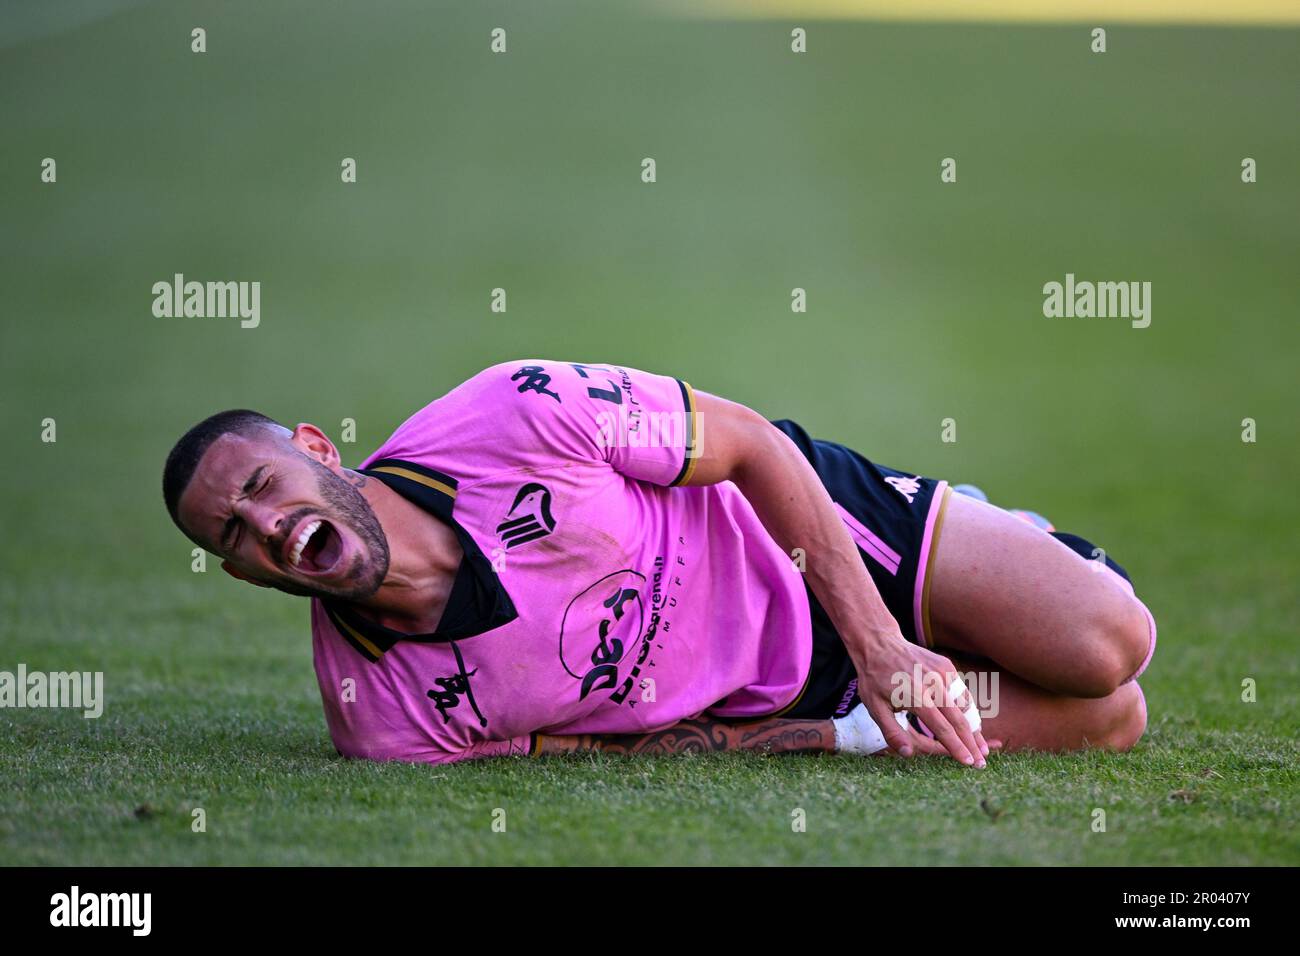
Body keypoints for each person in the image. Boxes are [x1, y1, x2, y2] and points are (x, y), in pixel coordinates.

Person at [162, 360, 1154, 765]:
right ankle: (866, 711)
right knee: (1112, 717)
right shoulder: (380, 719)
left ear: (316, 449)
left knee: (1111, 642)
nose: (262, 525)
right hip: (790, 690)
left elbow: (750, 442)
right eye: (231, 535)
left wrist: (883, 637)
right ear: (243, 574)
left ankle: (969, 553)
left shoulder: (514, 411)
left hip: (818, 538)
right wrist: (789, 738)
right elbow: (567, 752)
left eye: (259, 484)